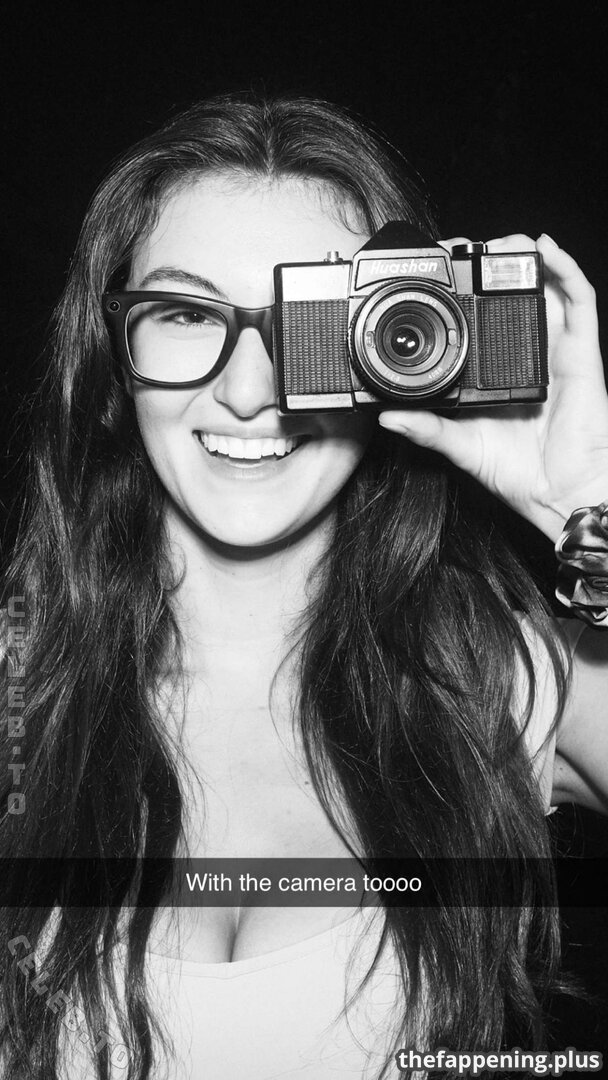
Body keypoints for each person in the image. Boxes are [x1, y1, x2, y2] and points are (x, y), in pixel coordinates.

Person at [1, 91, 607, 1080]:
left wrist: (587, 504)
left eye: (309, 321)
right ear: (115, 355)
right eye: (185, 313)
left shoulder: (490, 683)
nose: (247, 390)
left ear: (407, 347)